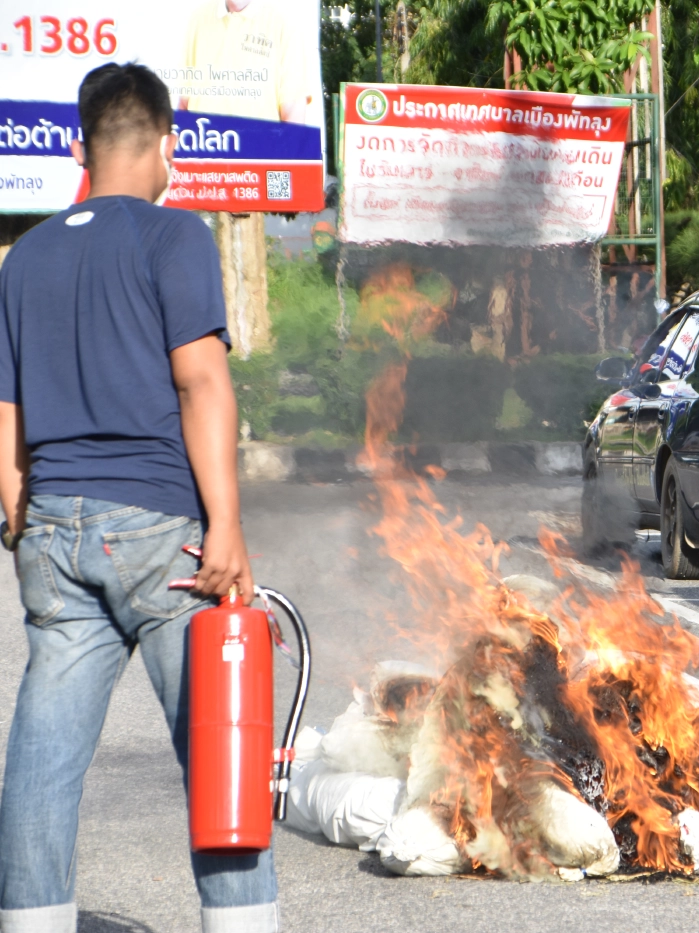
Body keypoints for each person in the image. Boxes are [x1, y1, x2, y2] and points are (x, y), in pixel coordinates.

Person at [0, 64, 276, 931]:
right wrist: (226, 523)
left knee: (42, 762)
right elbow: (202, 382)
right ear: (166, 143)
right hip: (159, 536)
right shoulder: (173, 235)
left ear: (79, 148)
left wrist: (20, 522)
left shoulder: (25, 256)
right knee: (220, 747)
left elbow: (6, 416)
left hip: (53, 529)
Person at [180, 0, 314, 124]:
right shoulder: (198, 19)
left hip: (259, 142)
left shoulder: (285, 23)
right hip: (205, 138)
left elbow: (293, 115)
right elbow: (183, 102)